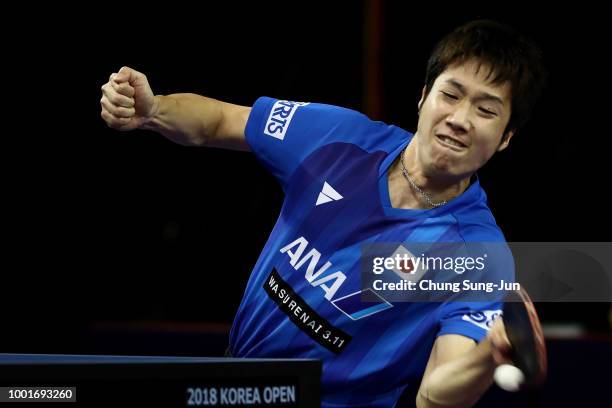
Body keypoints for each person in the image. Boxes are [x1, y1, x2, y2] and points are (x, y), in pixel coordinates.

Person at [100, 19, 547, 408]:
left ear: (506, 137)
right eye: (451, 95)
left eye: (486, 110)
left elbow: (434, 395)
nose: (460, 118)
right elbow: (220, 120)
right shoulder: (338, 136)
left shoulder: (479, 256)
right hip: (229, 382)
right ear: (424, 95)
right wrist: (155, 110)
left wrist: (486, 354)